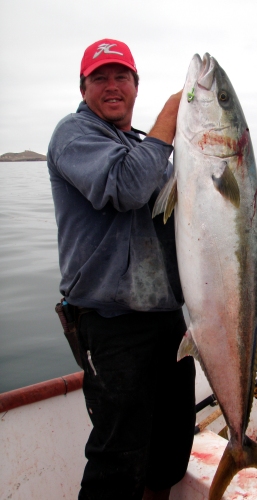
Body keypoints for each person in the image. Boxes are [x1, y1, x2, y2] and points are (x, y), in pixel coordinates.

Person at [47, 39, 196, 500]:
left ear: (135, 85)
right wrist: (172, 117)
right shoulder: (74, 134)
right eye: (100, 78)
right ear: (83, 86)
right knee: (119, 460)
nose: (112, 87)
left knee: (170, 449)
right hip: (111, 327)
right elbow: (127, 187)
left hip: (168, 322)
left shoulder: (143, 147)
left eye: (121, 76)